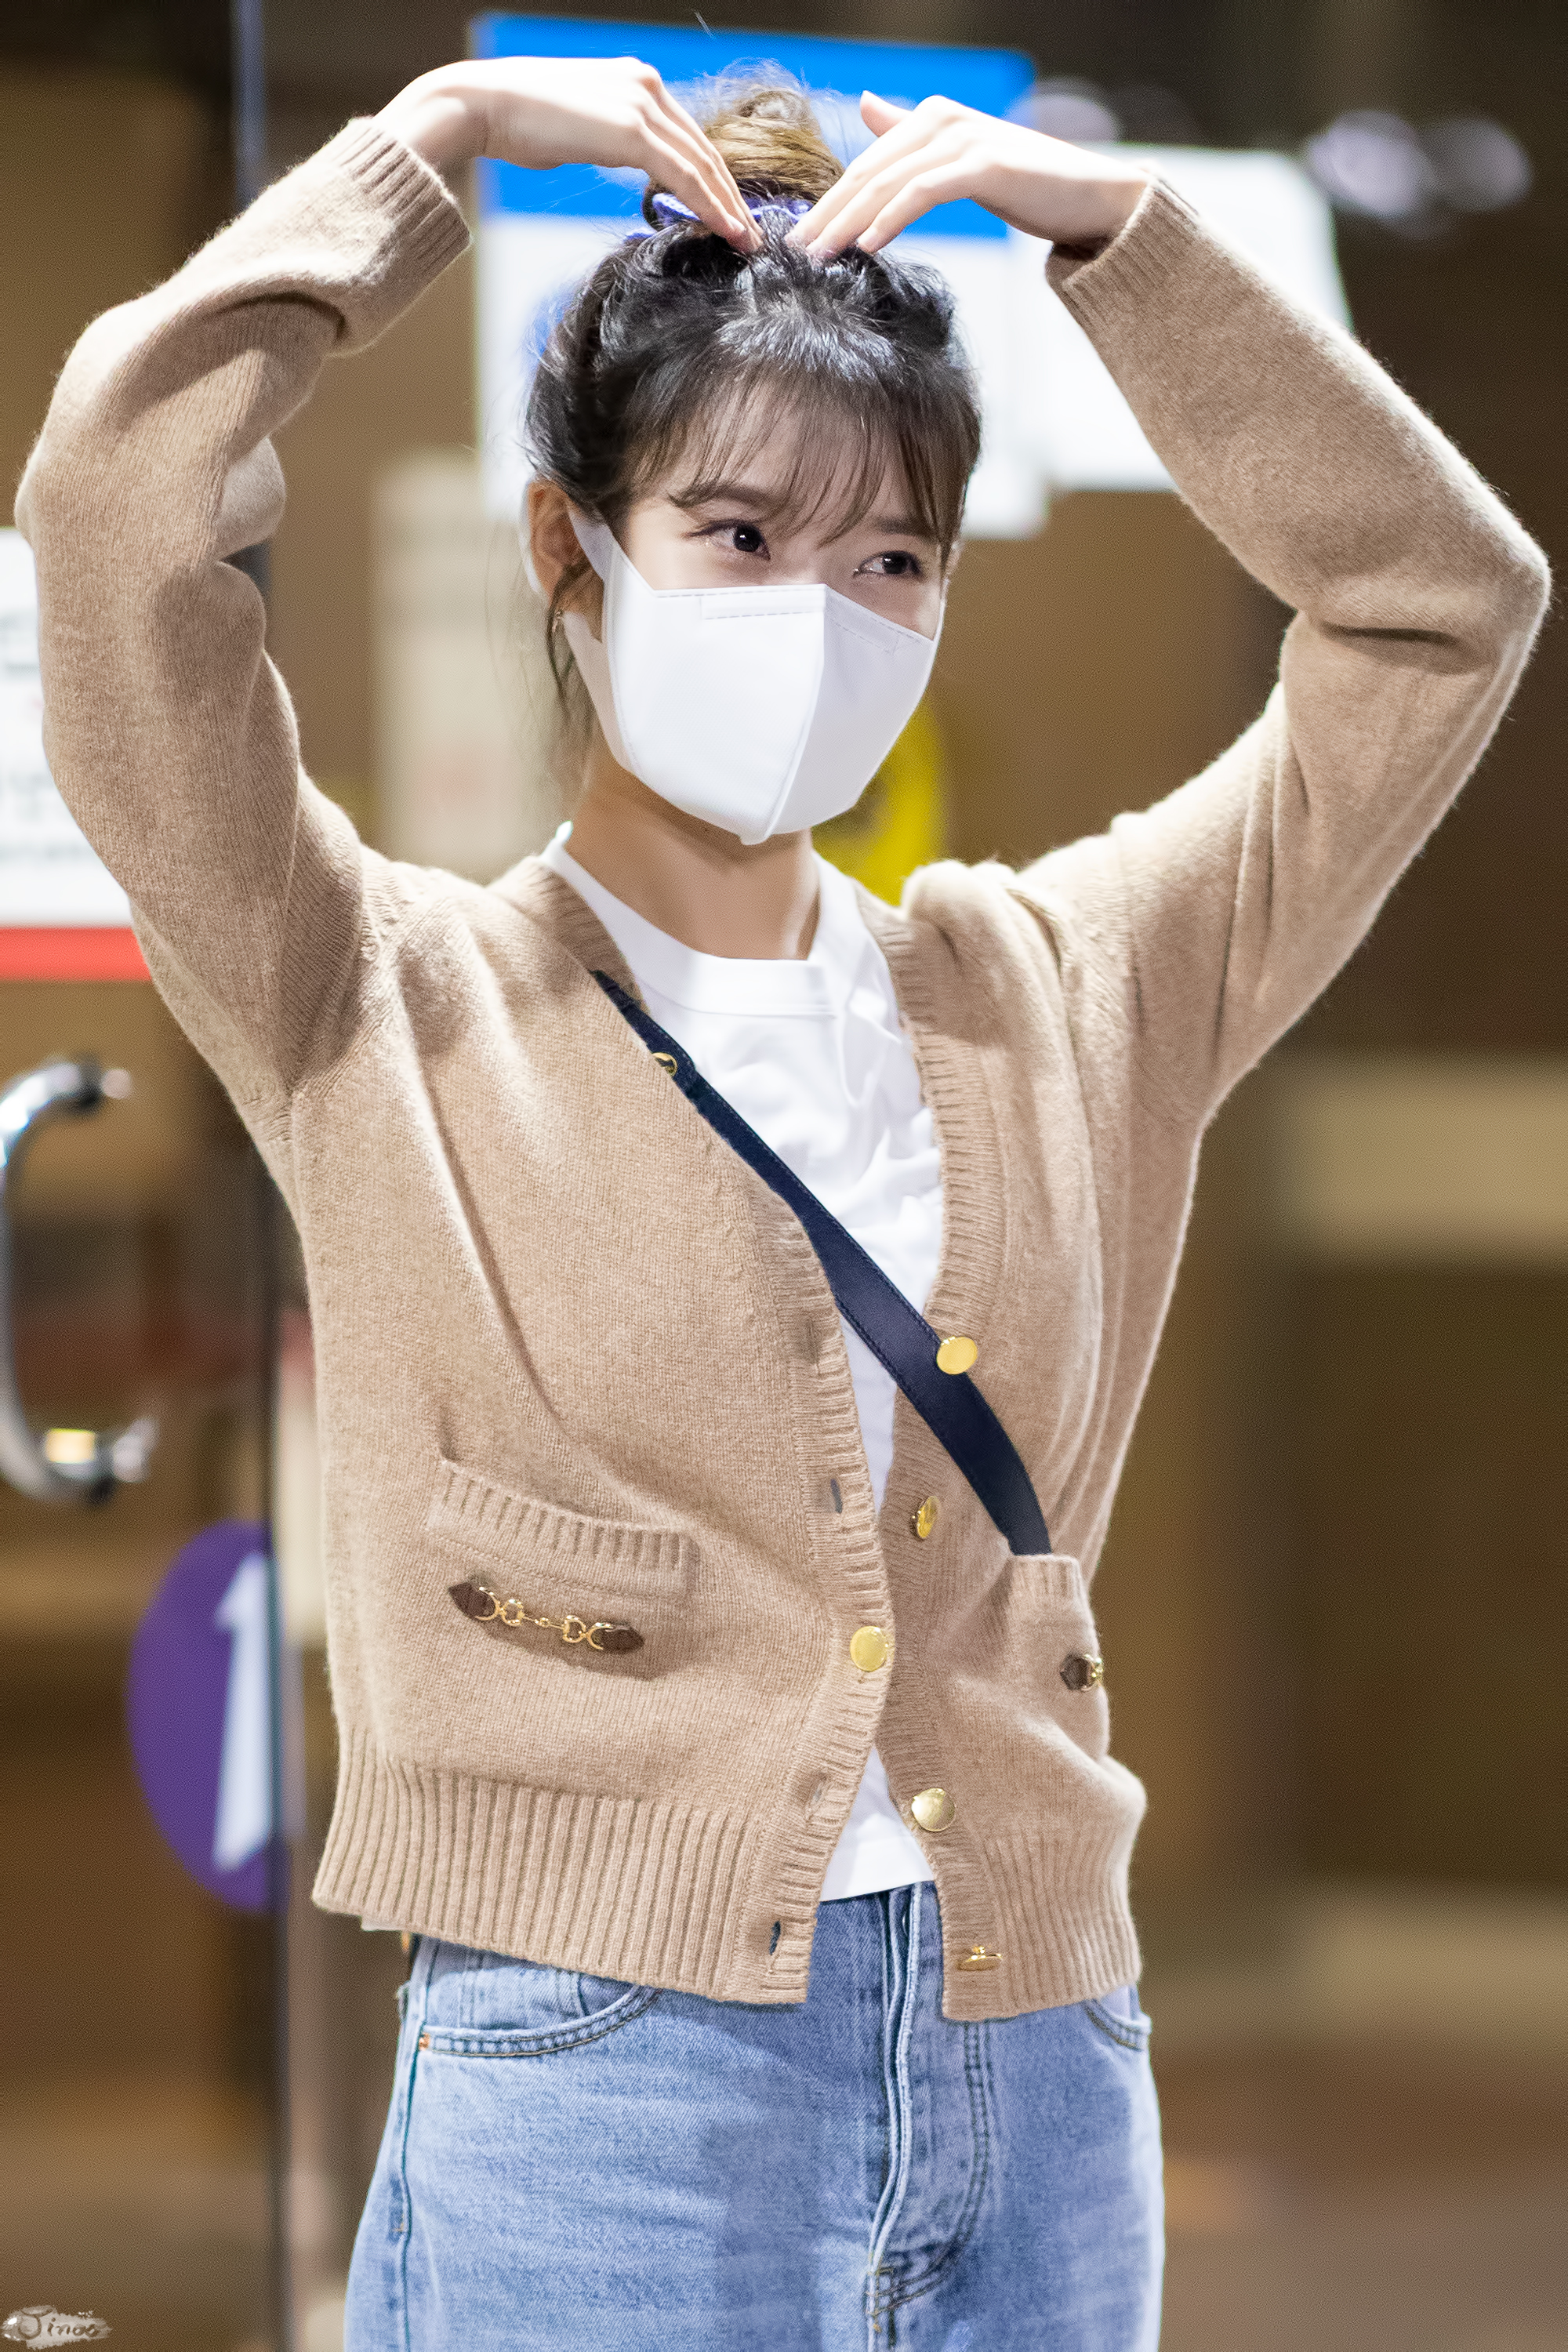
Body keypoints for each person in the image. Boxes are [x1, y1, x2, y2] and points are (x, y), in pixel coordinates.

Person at [19, 52, 1546, 2352]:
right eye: (738, 535)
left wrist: (1119, 241)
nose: (819, 612)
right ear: (572, 549)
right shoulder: (371, 989)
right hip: (604, 2075)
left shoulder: (1072, 988)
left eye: (889, 558)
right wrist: (430, 147)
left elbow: (1441, 602)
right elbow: (114, 511)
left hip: (1041, 2060)